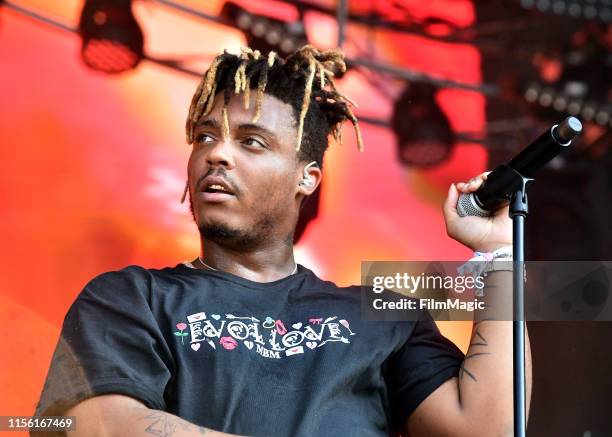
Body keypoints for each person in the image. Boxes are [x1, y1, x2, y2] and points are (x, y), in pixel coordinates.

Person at [33, 45, 531, 437]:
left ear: (306, 177)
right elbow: (93, 426)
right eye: (205, 137)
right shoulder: (131, 298)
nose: (217, 155)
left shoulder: (383, 318)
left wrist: (500, 253)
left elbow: (489, 428)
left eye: (251, 141)